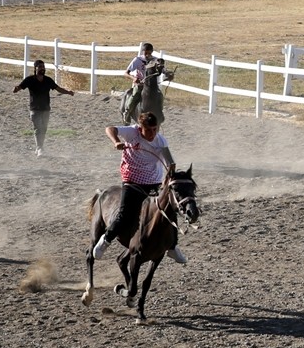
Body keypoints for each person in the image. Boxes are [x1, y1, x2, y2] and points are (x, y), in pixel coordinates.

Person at [92, 111, 186, 264]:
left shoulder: (160, 140)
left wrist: (169, 175)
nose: (152, 133)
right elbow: (110, 129)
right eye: (149, 130)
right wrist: (116, 142)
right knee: (125, 212)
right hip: (132, 180)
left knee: (170, 210)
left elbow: (171, 163)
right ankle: (106, 240)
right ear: (140, 128)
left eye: (155, 129)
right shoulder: (131, 132)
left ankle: (173, 247)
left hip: (154, 181)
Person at [13, 59, 75, 156]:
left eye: (43, 67)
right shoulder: (29, 80)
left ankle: (39, 147)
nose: (42, 68)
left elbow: (58, 89)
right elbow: (20, 86)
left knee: (44, 129)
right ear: (35, 68)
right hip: (34, 109)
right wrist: (16, 89)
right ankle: (40, 148)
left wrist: (68, 92)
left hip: (46, 109)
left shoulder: (48, 80)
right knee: (38, 128)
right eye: (40, 67)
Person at [123, 42, 155, 123]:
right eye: (145, 52)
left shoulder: (155, 60)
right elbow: (126, 73)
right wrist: (133, 78)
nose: (147, 55)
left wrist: (168, 74)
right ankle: (127, 112)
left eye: (149, 53)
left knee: (159, 96)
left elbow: (163, 71)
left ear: (152, 52)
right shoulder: (138, 60)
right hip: (140, 84)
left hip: (151, 85)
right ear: (143, 51)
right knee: (136, 94)